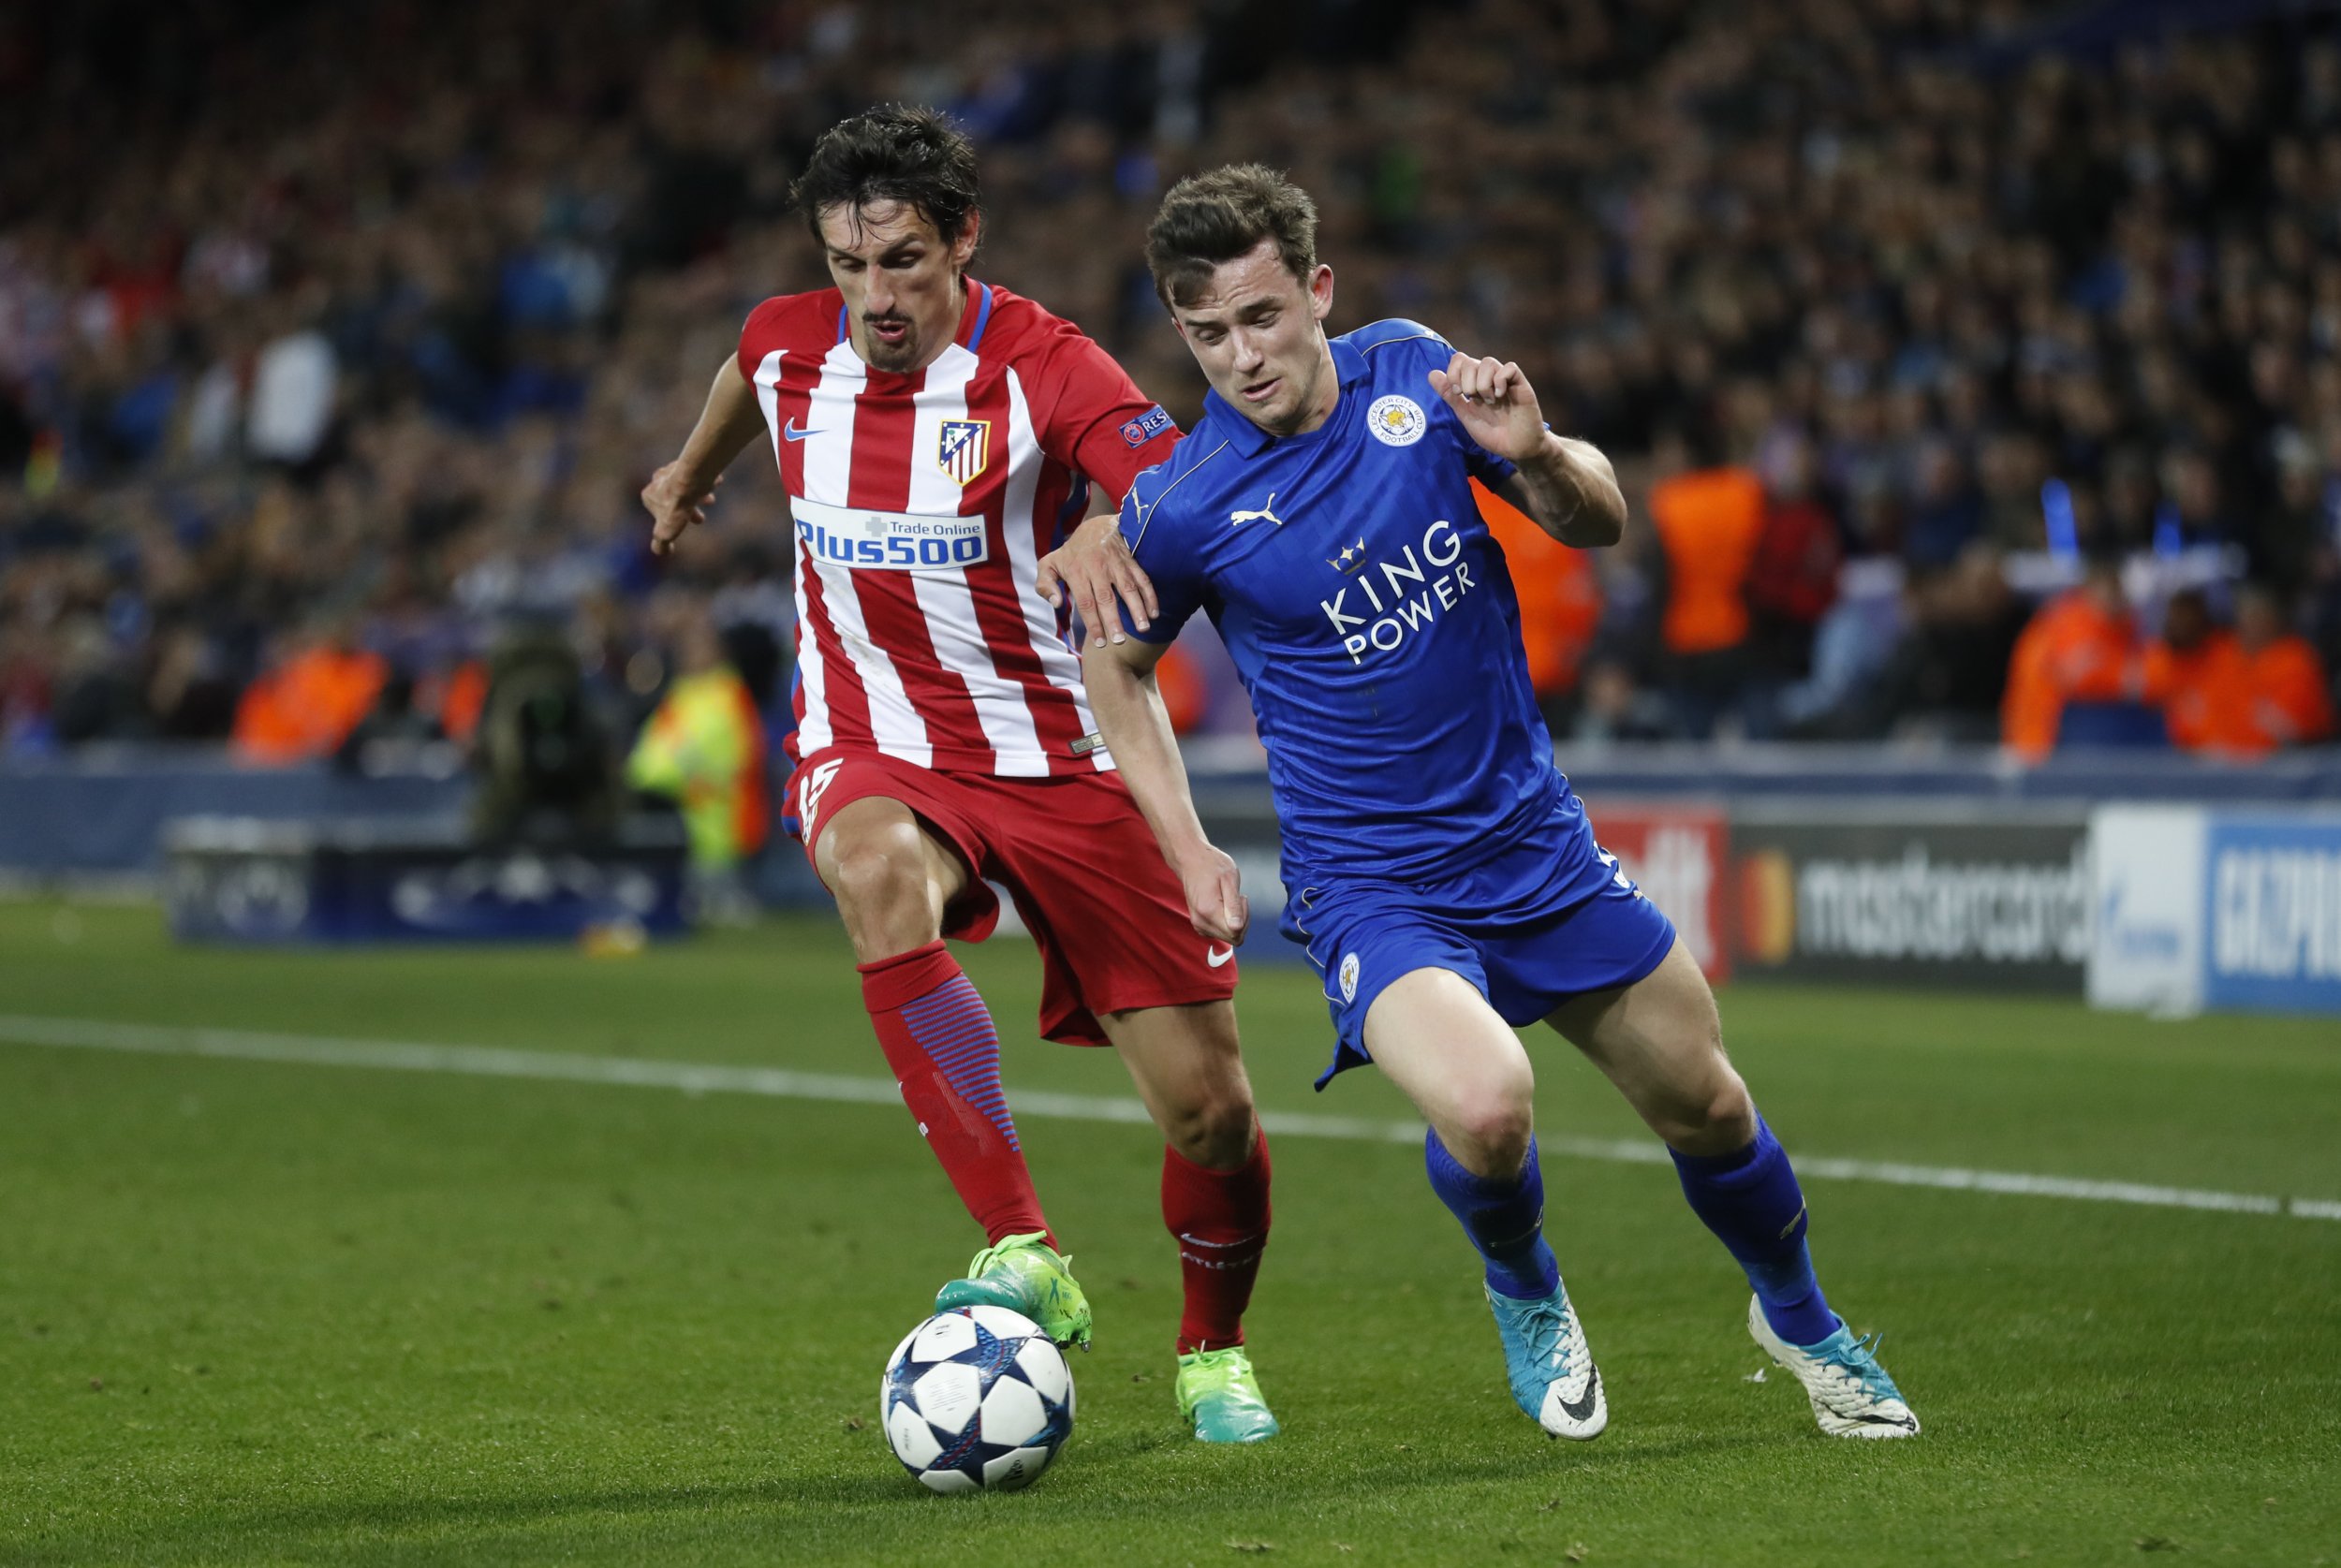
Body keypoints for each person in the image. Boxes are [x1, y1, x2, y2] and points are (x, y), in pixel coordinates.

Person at [1054, 165, 1919, 1442]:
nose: (1241, 355)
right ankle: (1524, 1284)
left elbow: (1601, 518)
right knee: (1489, 1105)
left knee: (1713, 1106)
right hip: (1374, 886)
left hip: (1536, 844)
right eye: (1207, 333)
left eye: (1262, 317)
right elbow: (1111, 671)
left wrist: (1544, 453)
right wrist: (1183, 845)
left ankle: (1798, 1320)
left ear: (1318, 293)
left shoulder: (1414, 374)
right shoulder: (1182, 504)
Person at [638, 109, 1276, 1443]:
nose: (874, 298)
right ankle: (1021, 1245)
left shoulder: (1044, 366)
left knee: (1211, 1115)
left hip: (1063, 755)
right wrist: (688, 477)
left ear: (965, 238)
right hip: (875, 738)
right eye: (848, 265)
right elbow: (740, 381)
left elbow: (1176, 477)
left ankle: (1211, 1347)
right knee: (874, 874)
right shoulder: (783, 342)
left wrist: (1108, 518)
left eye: (906, 263)